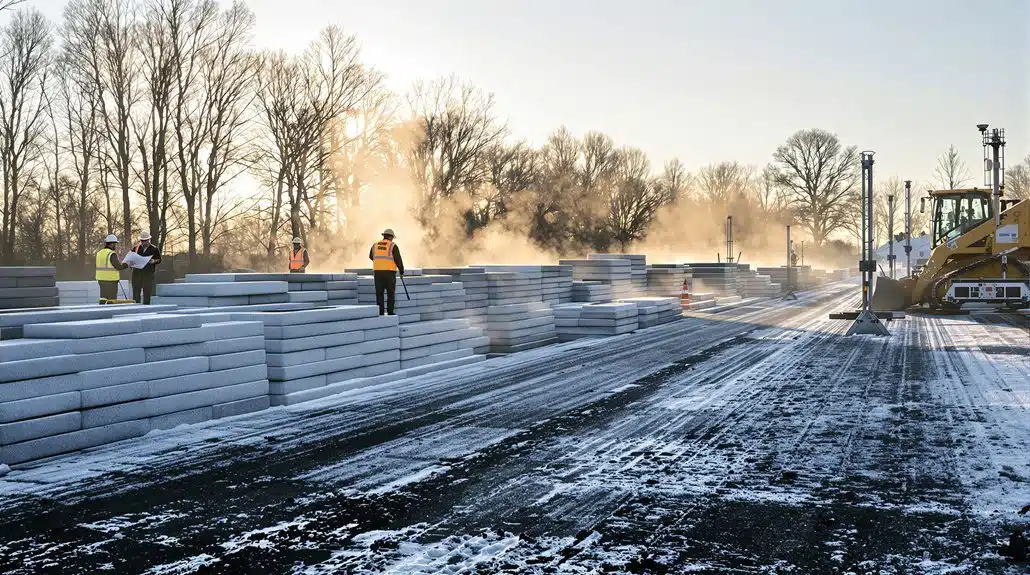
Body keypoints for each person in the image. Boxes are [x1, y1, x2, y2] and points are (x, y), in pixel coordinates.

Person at [369, 228, 405, 315]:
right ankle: (390, 312)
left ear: (384, 236)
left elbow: (371, 256)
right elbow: (398, 260)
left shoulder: (375, 245)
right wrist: (401, 271)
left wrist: (380, 263)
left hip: (378, 273)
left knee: (379, 294)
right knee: (390, 293)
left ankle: (380, 312)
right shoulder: (393, 246)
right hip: (389, 273)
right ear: (391, 237)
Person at [130, 231, 161, 305]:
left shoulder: (154, 249)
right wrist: (131, 263)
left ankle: (146, 306)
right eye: (142, 241)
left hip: (148, 274)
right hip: (137, 273)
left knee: (147, 291)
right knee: (136, 292)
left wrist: (154, 261)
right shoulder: (136, 248)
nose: (144, 242)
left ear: (148, 240)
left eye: (145, 241)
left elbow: (159, 259)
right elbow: (131, 259)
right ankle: (136, 306)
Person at [95, 234, 129, 302]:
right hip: (111, 281)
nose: (115, 246)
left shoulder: (99, 253)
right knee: (112, 300)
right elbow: (118, 267)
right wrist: (126, 265)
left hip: (101, 280)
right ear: (112, 244)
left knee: (103, 298)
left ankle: (102, 308)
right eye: (115, 244)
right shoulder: (111, 254)